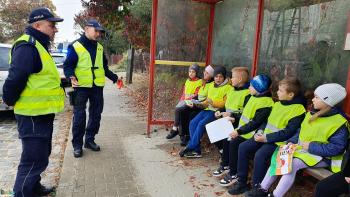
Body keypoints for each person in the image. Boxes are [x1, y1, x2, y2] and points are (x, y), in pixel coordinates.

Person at [2, 7, 64, 197]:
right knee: (33, 159)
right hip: (32, 115)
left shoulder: (39, 45)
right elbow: (16, 77)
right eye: (51, 25)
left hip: (42, 112)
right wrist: (9, 99)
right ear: (37, 25)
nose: (55, 29)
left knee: (41, 155)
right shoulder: (27, 46)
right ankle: (22, 193)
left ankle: (34, 188)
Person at [256, 83, 349, 197]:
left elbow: (337, 148)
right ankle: (262, 190)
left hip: (324, 157)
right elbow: (300, 132)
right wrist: (289, 142)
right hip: (304, 152)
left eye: (317, 97)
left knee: (292, 164)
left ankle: (276, 195)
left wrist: (310, 146)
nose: (313, 100)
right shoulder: (311, 113)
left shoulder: (339, 123)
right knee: (280, 154)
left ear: (328, 101)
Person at [232, 77, 306, 196]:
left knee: (260, 155)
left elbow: (289, 132)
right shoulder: (277, 104)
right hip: (265, 137)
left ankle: (258, 188)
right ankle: (242, 183)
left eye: (281, 91)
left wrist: (266, 138)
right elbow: (266, 122)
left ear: (291, 94)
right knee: (243, 147)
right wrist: (260, 131)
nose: (277, 92)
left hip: (279, 142)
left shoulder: (298, 110)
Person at [63, 19, 119, 158]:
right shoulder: (75, 46)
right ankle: (77, 145)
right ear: (87, 29)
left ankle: (89, 140)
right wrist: (71, 76)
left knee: (96, 115)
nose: (99, 34)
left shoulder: (99, 48)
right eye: (96, 30)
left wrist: (115, 78)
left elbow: (104, 68)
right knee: (79, 116)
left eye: (100, 31)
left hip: (97, 88)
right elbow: (68, 66)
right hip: (81, 87)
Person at [215, 74, 274, 187]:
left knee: (234, 142)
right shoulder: (254, 96)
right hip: (243, 131)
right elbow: (245, 114)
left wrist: (238, 132)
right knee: (228, 139)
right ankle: (230, 169)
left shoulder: (266, 103)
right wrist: (233, 117)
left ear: (259, 88)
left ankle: (234, 174)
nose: (249, 88)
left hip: (251, 134)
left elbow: (255, 123)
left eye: (252, 86)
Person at [179, 66, 231, 158]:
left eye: (220, 77)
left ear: (224, 77)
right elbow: (206, 99)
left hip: (216, 112)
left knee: (201, 124)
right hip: (207, 109)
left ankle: (191, 146)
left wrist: (213, 103)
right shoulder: (211, 85)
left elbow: (225, 104)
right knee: (192, 123)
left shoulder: (228, 88)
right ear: (213, 77)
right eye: (216, 77)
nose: (218, 79)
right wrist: (198, 104)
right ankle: (197, 151)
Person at [211, 67, 251, 176]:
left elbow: (246, 114)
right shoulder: (232, 90)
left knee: (227, 137)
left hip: (238, 123)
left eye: (233, 77)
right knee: (211, 130)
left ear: (240, 79)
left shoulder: (248, 94)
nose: (230, 79)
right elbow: (226, 106)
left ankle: (226, 164)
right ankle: (225, 161)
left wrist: (232, 115)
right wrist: (219, 111)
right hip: (227, 121)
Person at [167, 65, 214, 146]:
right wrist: (185, 101)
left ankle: (180, 132)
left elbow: (202, 96)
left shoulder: (204, 82)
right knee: (181, 110)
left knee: (184, 112)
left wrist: (193, 102)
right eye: (204, 72)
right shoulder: (203, 82)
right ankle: (182, 135)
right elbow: (189, 93)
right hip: (193, 102)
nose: (205, 74)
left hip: (201, 106)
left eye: (207, 73)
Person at [166, 63, 203, 140]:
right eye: (190, 71)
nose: (191, 73)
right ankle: (181, 134)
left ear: (197, 73)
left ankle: (175, 129)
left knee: (178, 109)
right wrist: (181, 101)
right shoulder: (187, 81)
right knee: (178, 108)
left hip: (192, 102)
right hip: (185, 101)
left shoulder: (199, 81)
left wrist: (187, 101)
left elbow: (196, 94)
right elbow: (184, 93)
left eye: (193, 72)